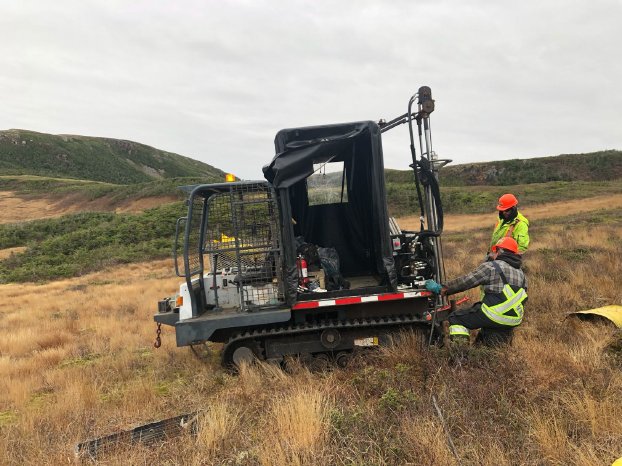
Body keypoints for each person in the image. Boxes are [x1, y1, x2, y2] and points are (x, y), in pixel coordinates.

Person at [426, 236, 528, 346]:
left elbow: (467, 281)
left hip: (494, 314)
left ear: (499, 251)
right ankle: (484, 352)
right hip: (514, 320)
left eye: (494, 251)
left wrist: (442, 288)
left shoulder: (492, 266)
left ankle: (460, 354)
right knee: (492, 342)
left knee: (456, 318)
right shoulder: (522, 275)